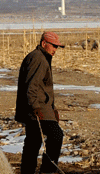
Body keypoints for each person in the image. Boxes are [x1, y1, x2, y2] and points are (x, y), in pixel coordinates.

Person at [16, 31, 65, 174]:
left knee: (33, 142)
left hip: (39, 107)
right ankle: (47, 171)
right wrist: (35, 107)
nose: (55, 49)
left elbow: (43, 88)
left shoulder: (42, 57)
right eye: (53, 46)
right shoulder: (38, 58)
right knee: (56, 136)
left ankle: (28, 171)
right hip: (37, 108)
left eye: (57, 47)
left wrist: (53, 109)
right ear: (44, 44)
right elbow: (32, 85)